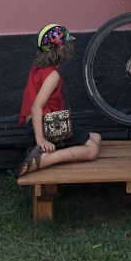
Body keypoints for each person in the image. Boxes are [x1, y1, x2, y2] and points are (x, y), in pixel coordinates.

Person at [15, 23, 102, 177]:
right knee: (92, 150)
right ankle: (44, 159)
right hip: (47, 125)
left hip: (37, 126)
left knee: (96, 137)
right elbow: (36, 106)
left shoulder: (37, 68)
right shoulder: (52, 75)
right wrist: (40, 139)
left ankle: (48, 150)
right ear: (61, 48)